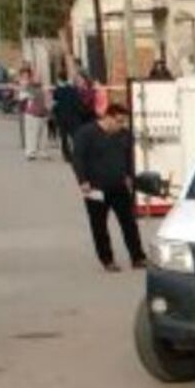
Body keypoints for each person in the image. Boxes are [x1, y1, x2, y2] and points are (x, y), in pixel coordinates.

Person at [72, 104, 146, 272]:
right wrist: (82, 180)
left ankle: (138, 257)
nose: (121, 125)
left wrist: (129, 175)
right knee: (99, 226)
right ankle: (107, 260)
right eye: (119, 121)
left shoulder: (125, 134)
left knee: (129, 223)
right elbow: (78, 158)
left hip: (119, 185)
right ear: (107, 117)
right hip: (95, 188)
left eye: (124, 122)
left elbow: (128, 157)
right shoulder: (86, 133)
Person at [52, 71, 92, 163]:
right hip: (73, 117)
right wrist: (83, 112)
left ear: (58, 79)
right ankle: (77, 153)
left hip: (62, 118)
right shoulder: (73, 90)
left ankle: (66, 155)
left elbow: (55, 105)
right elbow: (78, 104)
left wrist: (55, 115)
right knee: (75, 136)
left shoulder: (56, 91)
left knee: (64, 138)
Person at [17, 68, 49, 160]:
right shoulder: (28, 87)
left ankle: (43, 152)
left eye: (40, 77)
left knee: (43, 134)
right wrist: (28, 96)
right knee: (31, 134)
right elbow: (21, 97)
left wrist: (48, 109)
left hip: (42, 113)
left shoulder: (43, 87)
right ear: (32, 78)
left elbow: (47, 99)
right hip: (31, 114)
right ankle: (30, 152)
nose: (38, 78)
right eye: (36, 77)